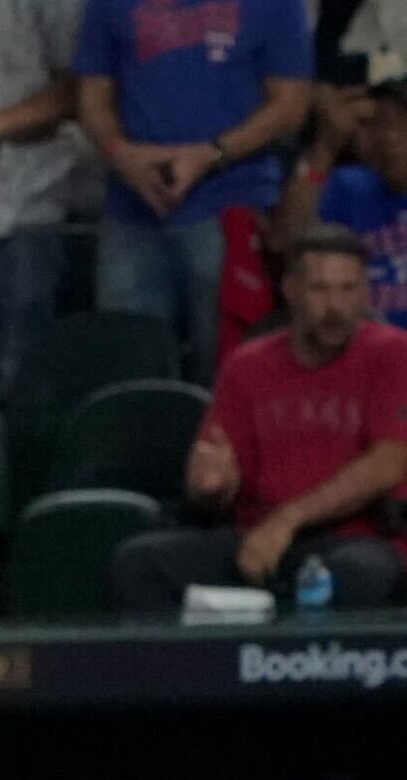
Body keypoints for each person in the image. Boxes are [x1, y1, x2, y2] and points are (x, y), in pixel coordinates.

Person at [114, 224, 407, 607]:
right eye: (320, 289)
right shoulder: (247, 365)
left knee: (360, 575)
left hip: (353, 540)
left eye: (348, 290)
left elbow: (389, 462)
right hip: (256, 540)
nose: (335, 306)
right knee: (140, 564)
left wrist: (288, 520)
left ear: (365, 293)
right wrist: (211, 489)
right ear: (291, 292)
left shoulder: (390, 353)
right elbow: (213, 474)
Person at [73, 0, 310, 380]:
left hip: (231, 205)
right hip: (131, 208)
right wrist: (121, 154)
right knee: (126, 376)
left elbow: (290, 105)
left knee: (231, 373)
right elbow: (92, 96)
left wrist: (210, 154)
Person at [273, 77, 407, 327]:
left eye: (403, 124)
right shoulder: (351, 186)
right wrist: (326, 146)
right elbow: (290, 239)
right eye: (382, 122)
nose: (390, 137)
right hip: (357, 348)